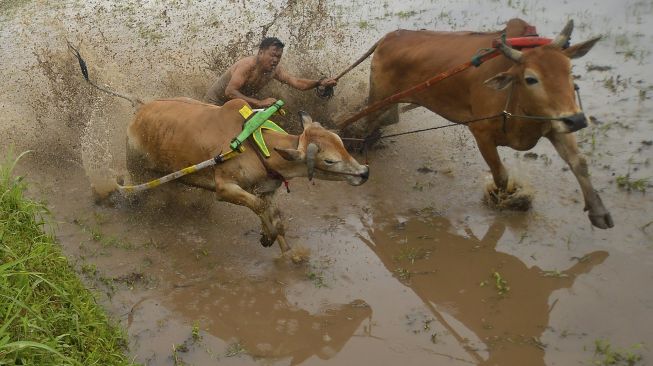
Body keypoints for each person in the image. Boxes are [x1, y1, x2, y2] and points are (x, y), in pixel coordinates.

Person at [204, 37, 337, 107]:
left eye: (278, 57)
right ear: (261, 52)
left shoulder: (275, 70)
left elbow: (297, 82)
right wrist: (259, 103)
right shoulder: (247, 66)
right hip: (214, 104)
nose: (275, 60)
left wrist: (320, 82)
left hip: (234, 106)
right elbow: (230, 92)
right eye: (272, 55)